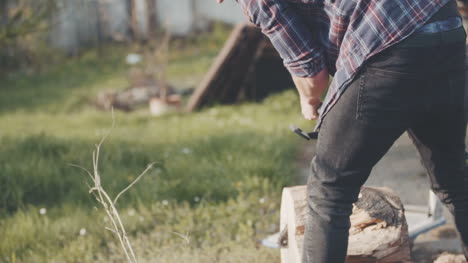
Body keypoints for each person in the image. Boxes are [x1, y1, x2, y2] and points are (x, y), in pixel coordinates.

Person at [216, 0, 468, 262]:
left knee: (329, 192)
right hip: (445, 26)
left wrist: (309, 99)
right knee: (454, 182)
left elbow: (313, 78)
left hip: (388, 40)